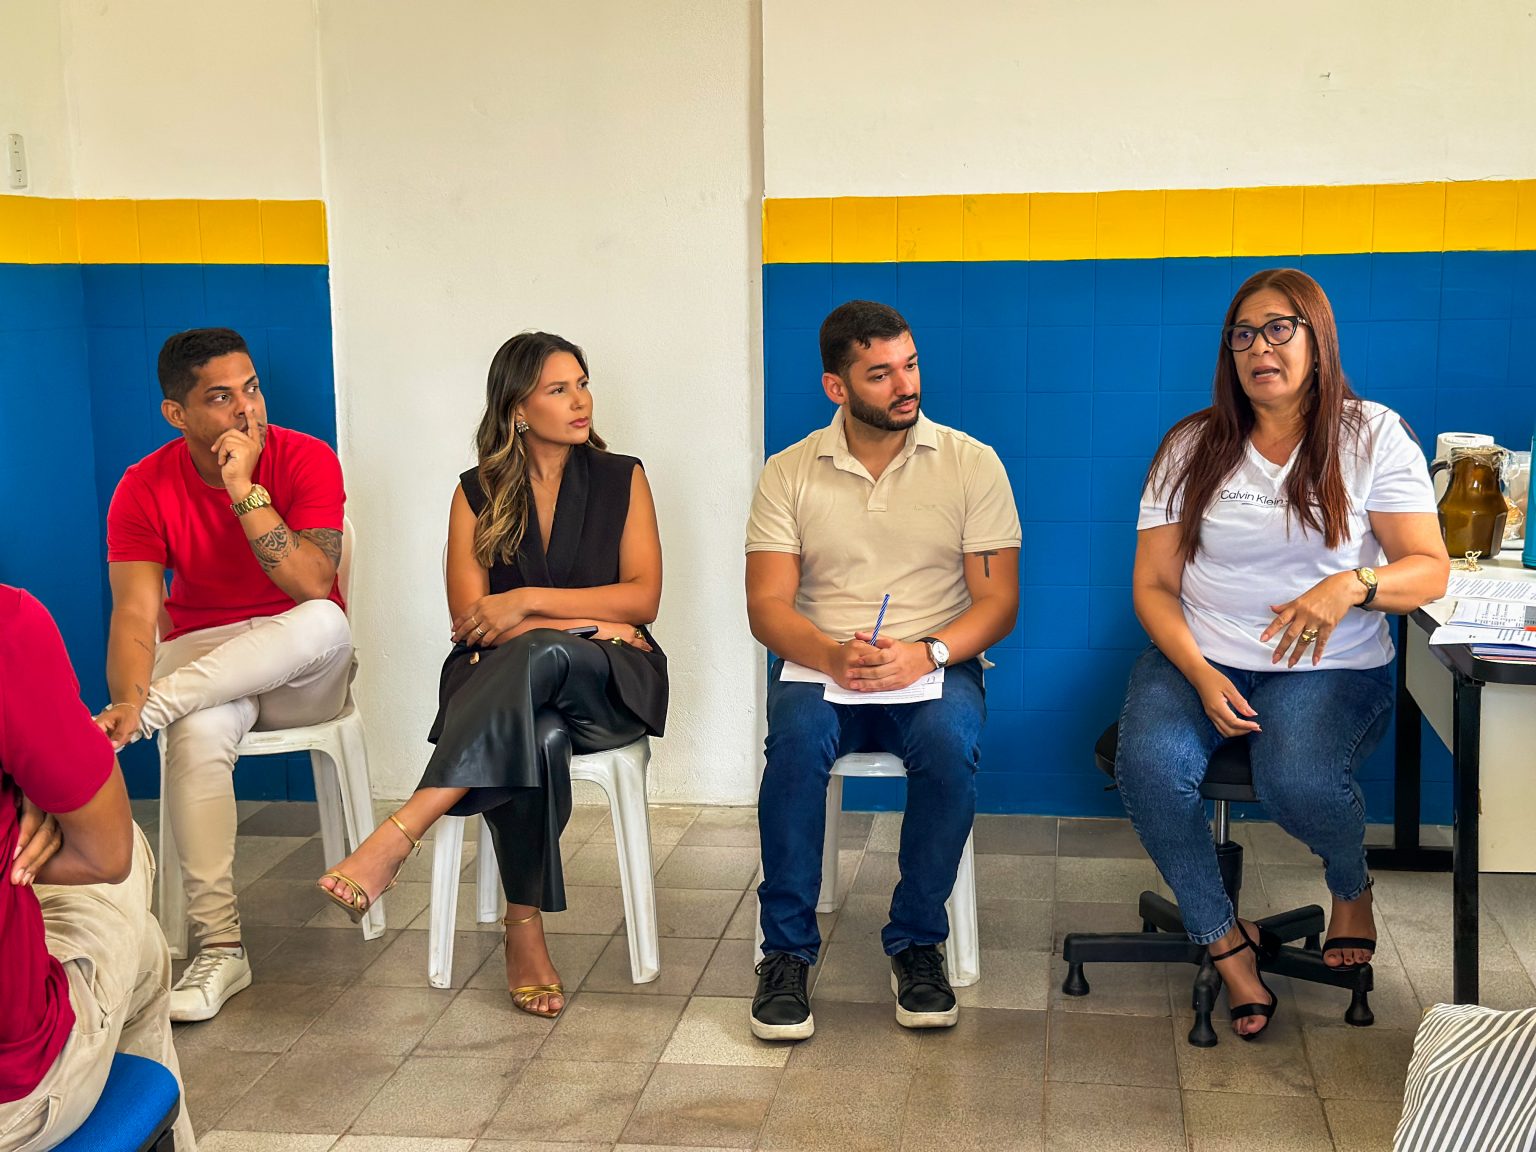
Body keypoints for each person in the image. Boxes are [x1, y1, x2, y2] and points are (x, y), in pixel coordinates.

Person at [1116, 268, 1448, 1040]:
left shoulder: (1372, 436)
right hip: (1201, 655)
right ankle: (1225, 942)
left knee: (1296, 780)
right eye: (1242, 335)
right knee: (1151, 769)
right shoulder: (1191, 445)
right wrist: (1199, 673)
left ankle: (1350, 884)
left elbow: (1428, 569)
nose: (1258, 347)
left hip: (1330, 668)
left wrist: (1352, 585)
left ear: (1317, 341)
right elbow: (1154, 585)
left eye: (1278, 329)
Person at [317, 331, 666, 1019]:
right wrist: (586, 622)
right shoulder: (476, 492)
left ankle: (401, 831)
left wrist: (528, 603)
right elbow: (472, 622)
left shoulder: (622, 477)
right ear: (517, 409)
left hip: (609, 683)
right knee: (538, 733)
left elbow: (643, 599)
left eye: (582, 383)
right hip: (504, 678)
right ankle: (523, 927)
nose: (581, 400)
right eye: (558, 389)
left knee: (544, 656)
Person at [745, 300, 1020, 1040]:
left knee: (949, 744)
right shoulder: (788, 473)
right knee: (795, 744)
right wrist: (830, 654)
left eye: (911, 364)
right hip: (822, 666)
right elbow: (766, 607)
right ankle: (786, 953)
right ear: (837, 387)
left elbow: (998, 602)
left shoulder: (971, 463)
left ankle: (917, 942)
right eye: (881, 374)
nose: (907, 385)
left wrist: (926, 653)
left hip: (934, 664)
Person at [99, 327, 353, 1022]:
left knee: (326, 620)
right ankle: (221, 946)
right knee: (199, 730)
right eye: (220, 397)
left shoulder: (306, 458)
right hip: (209, 661)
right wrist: (127, 693)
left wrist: (243, 488)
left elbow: (312, 584)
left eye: (252, 388)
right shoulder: (143, 487)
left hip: (302, 668)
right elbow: (135, 614)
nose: (247, 409)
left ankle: (152, 713)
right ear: (176, 414)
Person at [0, 586, 194, 1151]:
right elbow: (106, 855)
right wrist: (31, 794)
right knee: (132, 890)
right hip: (15, 1101)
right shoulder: (8, 626)